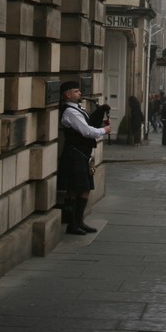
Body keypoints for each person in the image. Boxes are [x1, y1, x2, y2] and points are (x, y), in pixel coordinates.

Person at [57, 81, 111, 235]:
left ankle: (79, 221)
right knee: (74, 189)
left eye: (79, 91)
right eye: (76, 91)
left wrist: (100, 111)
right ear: (68, 95)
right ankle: (72, 224)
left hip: (82, 154)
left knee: (85, 188)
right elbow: (86, 131)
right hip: (74, 154)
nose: (80, 93)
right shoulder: (70, 112)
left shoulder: (78, 109)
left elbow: (89, 122)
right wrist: (104, 130)